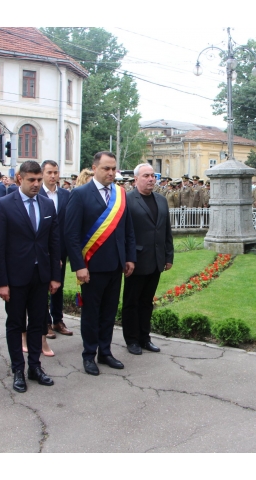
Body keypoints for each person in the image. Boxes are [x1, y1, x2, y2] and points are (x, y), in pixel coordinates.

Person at [0, 160, 62, 393]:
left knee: (38, 323)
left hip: (40, 276)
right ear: (20, 179)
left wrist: (55, 276)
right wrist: (2, 282)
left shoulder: (47, 204)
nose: (37, 184)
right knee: (15, 323)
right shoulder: (4, 205)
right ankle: (18, 370)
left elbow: (54, 243)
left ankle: (35, 367)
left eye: (39, 179)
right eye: (32, 180)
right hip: (15, 278)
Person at [65, 151, 136, 376]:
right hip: (91, 267)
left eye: (114, 168)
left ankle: (105, 352)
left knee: (109, 312)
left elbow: (128, 229)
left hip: (116, 265)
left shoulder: (120, 194)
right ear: (94, 168)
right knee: (91, 314)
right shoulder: (79, 194)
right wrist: (79, 266)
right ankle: (89, 355)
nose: (111, 173)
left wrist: (129, 257)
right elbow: (71, 235)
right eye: (106, 168)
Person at [122, 164, 173, 355]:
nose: (151, 179)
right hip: (135, 261)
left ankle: (145, 338)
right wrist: (127, 258)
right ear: (136, 179)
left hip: (156, 260)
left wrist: (168, 256)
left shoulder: (161, 200)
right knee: (131, 302)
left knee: (146, 302)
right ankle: (132, 339)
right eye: (146, 176)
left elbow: (166, 230)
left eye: (153, 175)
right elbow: (123, 233)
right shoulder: (127, 200)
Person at [38, 160, 73, 338]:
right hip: (42, 249)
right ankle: (45, 323)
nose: (53, 176)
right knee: (43, 286)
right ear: (42, 174)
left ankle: (58, 319)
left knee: (59, 284)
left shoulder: (66, 195)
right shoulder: (37, 194)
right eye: (49, 172)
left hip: (61, 247)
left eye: (55, 172)